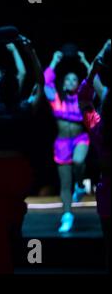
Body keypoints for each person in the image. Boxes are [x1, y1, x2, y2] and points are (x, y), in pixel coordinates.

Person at [0, 36, 44, 273]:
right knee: (14, 218)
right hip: (20, 168)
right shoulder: (25, 108)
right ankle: (14, 259)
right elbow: (39, 81)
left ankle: (1, 267)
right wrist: (29, 50)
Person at [44, 49, 91, 233]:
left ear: (78, 83)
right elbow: (45, 81)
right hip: (62, 143)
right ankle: (67, 215)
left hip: (80, 138)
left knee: (79, 162)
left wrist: (85, 61)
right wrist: (54, 61)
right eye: (68, 79)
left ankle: (80, 186)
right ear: (63, 84)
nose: (71, 82)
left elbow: (93, 80)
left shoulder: (82, 99)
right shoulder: (56, 99)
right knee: (65, 183)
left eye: (74, 79)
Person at [78, 40, 110, 268]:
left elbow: (85, 97)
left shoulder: (98, 128)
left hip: (107, 190)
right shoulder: (99, 127)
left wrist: (95, 68)